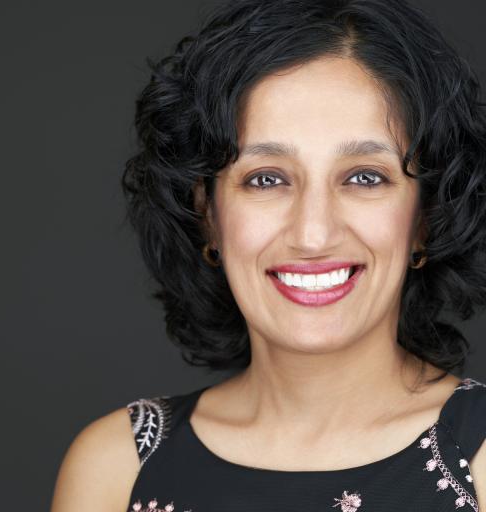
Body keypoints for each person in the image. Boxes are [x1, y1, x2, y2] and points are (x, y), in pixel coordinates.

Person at [50, 0, 486, 510]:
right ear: (208, 215)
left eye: (365, 177)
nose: (313, 234)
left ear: (425, 218)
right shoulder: (117, 468)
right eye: (266, 179)